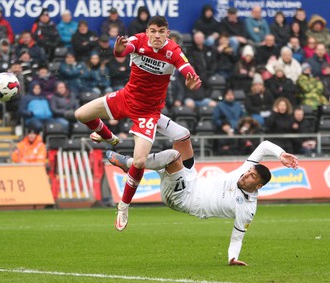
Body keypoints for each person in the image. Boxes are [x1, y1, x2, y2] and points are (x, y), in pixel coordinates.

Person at [106, 117, 298, 265]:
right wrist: (281, 154)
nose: (246, 175)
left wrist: (232, 258)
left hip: (181, 198)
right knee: (182, 134)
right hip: (191, 179)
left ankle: (129, 164)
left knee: (173, 156)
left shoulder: (247, 209)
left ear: (258, 186)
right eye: (249, 172)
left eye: (252, 177)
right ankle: (148, 113)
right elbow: (264, 146)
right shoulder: (243, 172)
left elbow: (237, 236)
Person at [74, 16, 201, 231]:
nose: (157, 35)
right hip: (125, 98)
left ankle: (123, 206)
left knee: (139, 161)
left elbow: (187, 70)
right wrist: (118, 50)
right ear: (147, 31)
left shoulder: (173, 50)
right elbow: (123, 51)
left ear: (167, 33)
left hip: (148, 113)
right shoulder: (138, 40)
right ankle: (110, 138)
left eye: (161, 31)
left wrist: (191, 80)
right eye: (153, 31)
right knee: (80, 114)